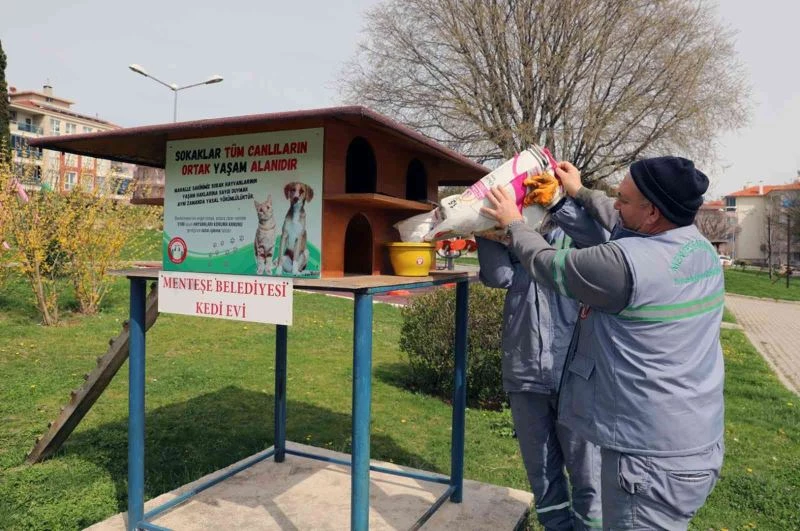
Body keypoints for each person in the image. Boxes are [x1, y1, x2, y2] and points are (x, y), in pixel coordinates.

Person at [481, 157, 725, 530]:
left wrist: (513, 222)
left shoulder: (623, 265)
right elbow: (617, 222)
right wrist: (574, 193)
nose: (613, 204)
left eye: (623, 200)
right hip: (697, 444)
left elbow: (546, 263)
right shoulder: (699, 250)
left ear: (653, 214)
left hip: (647, 461)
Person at [477, 198, 606, 530]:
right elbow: (498, 276)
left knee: (588, 477)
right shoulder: (514, 236)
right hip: (526, 374)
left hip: (576, 377)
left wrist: (561, 204)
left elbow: (601, 244)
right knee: (544, 479)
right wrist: (483, 228)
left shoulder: (577, 234)